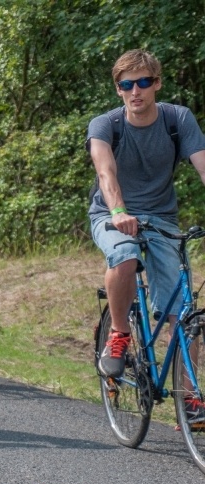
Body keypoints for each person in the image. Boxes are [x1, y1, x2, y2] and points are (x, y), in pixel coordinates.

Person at [87, 49, 205, 418]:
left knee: (182, 308)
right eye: (126, 84)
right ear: (118, 89)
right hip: (111, 215)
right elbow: (106, 172)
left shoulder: (177, 119)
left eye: (142, 82)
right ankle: (119, 333)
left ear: (157, 83)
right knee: (125, 256)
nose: (135, 91)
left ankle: (190, 396)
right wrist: (119, 211)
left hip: (161, 220)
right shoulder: (105, 124)